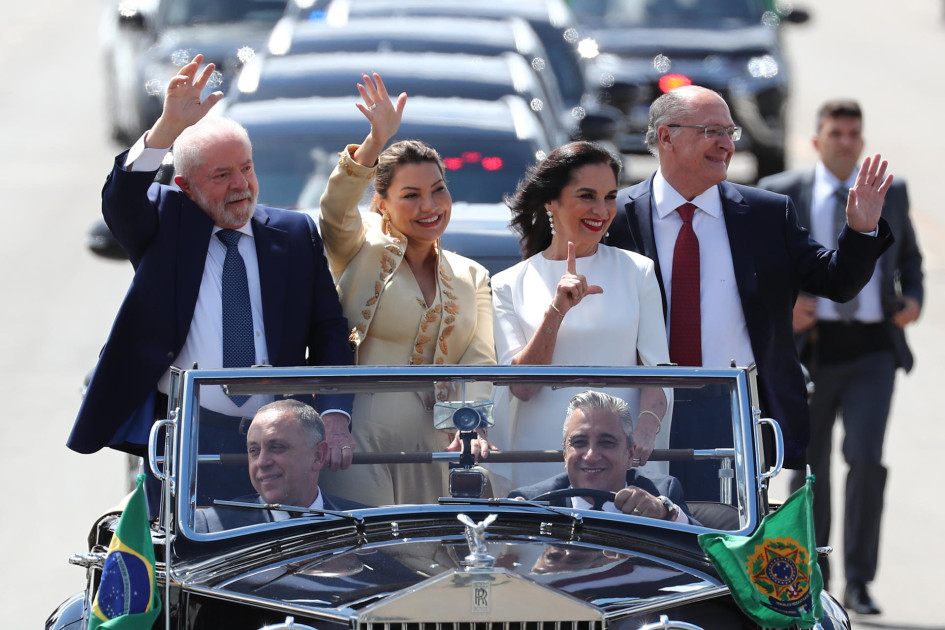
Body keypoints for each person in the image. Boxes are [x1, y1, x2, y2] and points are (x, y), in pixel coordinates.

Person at [67, 55, 355, 500]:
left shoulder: (294, 234)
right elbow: (122, 197)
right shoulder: (165, 224)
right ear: (185, 186)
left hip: (281, 442)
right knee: (187, 560)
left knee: (283, 557)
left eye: (246, 167)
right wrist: (166, 128)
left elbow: (329, 331)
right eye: (221, 175)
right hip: (187, 434)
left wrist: (335, 412)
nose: (241, 184)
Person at [602, 86, 895, 496]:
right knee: (645, 543)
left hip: (730, 411)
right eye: (711, 131)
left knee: (725, 544)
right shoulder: (617, 216)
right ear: (666, 137)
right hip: (636, 413)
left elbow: (836, 282)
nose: (726, 144)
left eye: (730, 132)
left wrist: (861, 231)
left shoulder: (765, 215)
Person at [758, 99, 923, 614]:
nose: (846, 142)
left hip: (874, 348)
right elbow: (763, 272)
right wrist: (787, 309)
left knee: (866, 461)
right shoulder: (784, 194)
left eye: (854, 133)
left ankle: (860, 582)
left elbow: (911, 258)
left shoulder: (890, 193)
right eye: (836, 132)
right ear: (816, 140)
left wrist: (914, 299)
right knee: (809, 468)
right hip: (810, 352)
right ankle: (814, 578)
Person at [316, 73, 496, 506]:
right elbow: (335, 210)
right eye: (411, 195)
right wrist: (376, 141)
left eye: (438, 190)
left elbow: (478, 361)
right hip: (357, 444)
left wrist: (469, 427)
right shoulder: (360, 248)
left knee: (433, 555)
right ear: (381, 203)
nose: (430, 206)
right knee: (374, 556)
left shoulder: (471, 274)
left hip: (439, 446)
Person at [491, 141, 671, 493]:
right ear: (551, 201)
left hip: (623, 458)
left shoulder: (638, 271)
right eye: (587, 195)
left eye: (609, 197)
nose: (601, 210)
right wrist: (557, 310)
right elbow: (522, 387)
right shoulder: (508, 284)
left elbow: (656, 373)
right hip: (541, 461)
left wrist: (647, 430)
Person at [509, 390, 692, 523]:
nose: (591, 456)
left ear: (630, 453)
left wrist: (665, 514)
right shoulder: (532, 503)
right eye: (579, 443)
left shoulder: (662, 492)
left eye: (606, 443)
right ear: (565, 454)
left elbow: (709, 549)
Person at [194, 400, 364, 532]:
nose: (261, 462)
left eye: (276, 447)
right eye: (254, 450)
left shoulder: (366, 522)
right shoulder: (210, 528)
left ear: (318, 456)